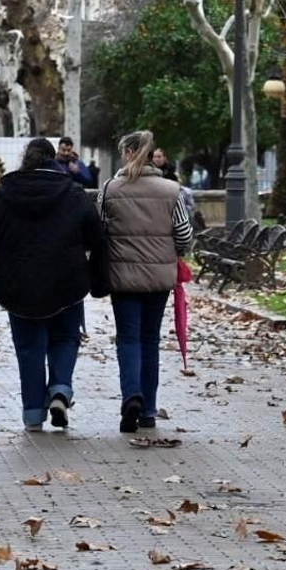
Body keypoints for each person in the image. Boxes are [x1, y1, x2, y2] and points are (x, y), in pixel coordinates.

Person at [0, 139, 107, 432]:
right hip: (66, 283)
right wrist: (99, 279)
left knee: (29, 348)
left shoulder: (5, 193)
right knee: (65, 339)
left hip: (19, 284)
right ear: (54, 160)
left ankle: (32, 414)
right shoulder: (73, 193)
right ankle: (59, 389)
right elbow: (97, 238)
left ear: (26, 159)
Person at [98, 130, 192, 434]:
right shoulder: (171, 190)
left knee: (127, 338)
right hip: (159, 278)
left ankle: (131, 397)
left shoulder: (111, 189)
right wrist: (170, 253)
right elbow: (184, 234)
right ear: (152, 155)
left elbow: (99, 231)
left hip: (122, 278)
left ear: (126, 152)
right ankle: (148, 410)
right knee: (150, 340)